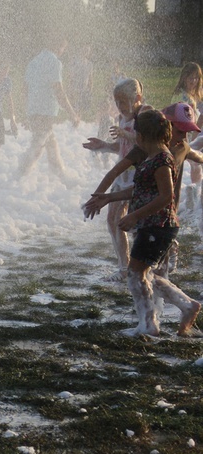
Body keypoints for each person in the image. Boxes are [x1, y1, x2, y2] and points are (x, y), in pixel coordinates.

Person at [82, 110, 200, 338]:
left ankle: (149, 325)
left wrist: (135, 216)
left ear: (143, 137)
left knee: (136, 275)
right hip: (153, 226)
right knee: (143, 274)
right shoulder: (151, 157)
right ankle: (186, 306)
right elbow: (142, 190)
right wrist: (107, 197)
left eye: (136, 134)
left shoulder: (162, 161)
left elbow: (166, 197)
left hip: (159, 226)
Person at [81, 78, 150, 281]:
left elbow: (147, 143)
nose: (119, 106)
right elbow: (120, 148)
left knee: (138, 223)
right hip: (122, 175)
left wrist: (125, 134)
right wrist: (103, 145)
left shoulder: (146, 114)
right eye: (116, 102)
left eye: (123, 101)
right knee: (113, 220)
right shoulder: (122, 118)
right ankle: (124, 266)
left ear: (137, 97)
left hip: (139, 176)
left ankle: (144, 265)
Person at [18, 36, 80, 177]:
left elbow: (24, 90)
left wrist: (26, 113)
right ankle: (18, 176)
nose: (63, 51)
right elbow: (59, 91)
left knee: (50, 144)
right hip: (45, 112)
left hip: (34, 111)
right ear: (58, 46)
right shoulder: (54, 62)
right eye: (63, 48)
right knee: (37, 146)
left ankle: (59, 174)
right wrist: (72, 114)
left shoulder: (33, 61)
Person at [171, 62, 203, 209]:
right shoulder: (183, 97)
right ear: (184, 78)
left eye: (197, 78)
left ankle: (192, 192)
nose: (194, 81)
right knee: (191, 164)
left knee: (194, 165)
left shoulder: (191, 95)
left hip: (187, 136)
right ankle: (191, 195)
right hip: (184, 137)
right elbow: (181, 121)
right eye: (191, 78)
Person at [66, 44, 94, 119]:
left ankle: (79, 120)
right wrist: (70, 87)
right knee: (74, 105)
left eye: (87, 51)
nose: (85, 52)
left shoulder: (89, 64)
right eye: (84, 50)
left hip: (84, 88)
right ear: (80, 50)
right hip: (75, 87)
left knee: (81, 107)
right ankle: (73, 119)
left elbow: (90, 78)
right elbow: (70, 76)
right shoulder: (75, 62)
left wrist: (90, 88)